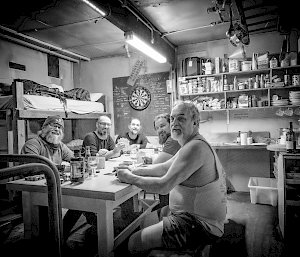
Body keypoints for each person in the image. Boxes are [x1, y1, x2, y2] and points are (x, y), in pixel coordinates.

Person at [116, 101, 227, 255]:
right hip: (192, 217)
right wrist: (133, 170)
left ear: (195, 122)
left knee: (133, 242)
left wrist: (129, 177)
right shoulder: (190, 144)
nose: (174, 123)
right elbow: (163, 167)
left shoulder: (195, 147)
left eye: (181, 119)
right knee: (143, 221)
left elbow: (164, 186)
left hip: (200, 225)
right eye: (173, 119)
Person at [63, 115, 125, 241]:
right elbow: (93, 159)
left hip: (100, 172)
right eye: (103, 124)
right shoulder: (90, 137)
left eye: (108, 125)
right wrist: (110, 153)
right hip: (89, 174)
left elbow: (115, 153)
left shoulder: (108, 137)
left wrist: (109, 153)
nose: (106, 127)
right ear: (97, 124)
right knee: (84, 199)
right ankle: (100, 229)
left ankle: (101, 226)